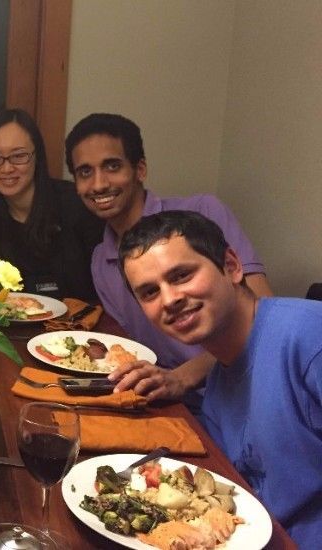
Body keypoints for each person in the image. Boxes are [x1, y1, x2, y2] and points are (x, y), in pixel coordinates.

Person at [118, 210, 322, 547]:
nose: (170, 299)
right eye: (150, 293)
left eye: (182, 275)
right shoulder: (218, 379)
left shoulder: (307, 337)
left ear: (231, 266)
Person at [65, 113, 273, 403]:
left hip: (246, 394)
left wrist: (182, 378)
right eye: (85, 172)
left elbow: (262, 315)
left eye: (112, 166)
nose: (99, 184)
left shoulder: (201, 212)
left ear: (140, 169)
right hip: (169, 403)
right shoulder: (101, 260)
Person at [0, 108, 103, 301]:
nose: (7, 168)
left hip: (82, 327)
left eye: (18, 156)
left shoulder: (77, 204)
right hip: (18, 329)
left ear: (37, 157)